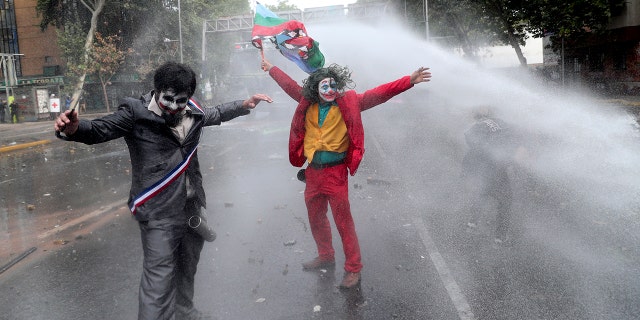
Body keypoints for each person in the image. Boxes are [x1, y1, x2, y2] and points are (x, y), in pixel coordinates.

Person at [54, 61, 272, 320]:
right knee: (158, 279)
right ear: (156, 91)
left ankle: (184, 312)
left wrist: (243, 105)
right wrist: (75, 129)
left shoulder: (193, 111)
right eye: (167, 99)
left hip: (191, 207)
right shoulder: (134, 113)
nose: (173, 107)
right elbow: (100, 129)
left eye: (181, 100)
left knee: (187, 267)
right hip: (158, 211)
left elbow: (214, 113)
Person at [261, 58, 431, 289]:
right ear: (315, 88)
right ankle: (326, 255)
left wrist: (409, 81)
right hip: (313, 173)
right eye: (324, 86)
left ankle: (353, 268)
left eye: (333, 86)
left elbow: (378, 94)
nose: (330, 90)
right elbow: (289, 85)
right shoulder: (306, 102)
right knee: (316, 218)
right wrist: (271, 68)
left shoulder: (349, 102)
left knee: (343, 222)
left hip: (336, 173)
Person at [461, 106, 518, 246]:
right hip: (496, 168)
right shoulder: (505, 126)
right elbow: (510, 148)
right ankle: (499, 239)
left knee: (481, 193)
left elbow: (469, 139)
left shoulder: (478, 126)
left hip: (485, 168)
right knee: (505, 202)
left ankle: (471, 225)